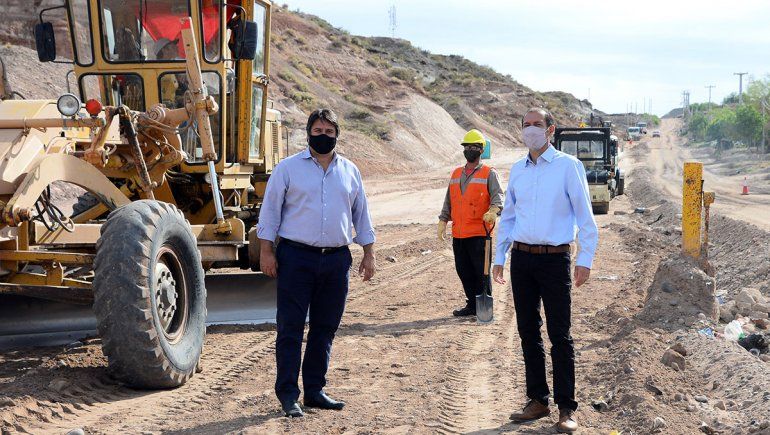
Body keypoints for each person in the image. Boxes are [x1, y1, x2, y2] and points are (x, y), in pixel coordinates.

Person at [258, 108, 377, 418]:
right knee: (290, 328)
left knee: (325, 328)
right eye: (318, 131)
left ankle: (314, 391)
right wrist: (266, 252)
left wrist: (369, 252)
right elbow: (269, 213)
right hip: (296, 258)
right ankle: (288, 394)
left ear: (337, 135)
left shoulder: (349, 170)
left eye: (329, 132)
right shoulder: (288, 169)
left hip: (336, 260)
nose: (323, 136)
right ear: (307, 133)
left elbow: (361, 214)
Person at [492, 108, 598, 433]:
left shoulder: (568, 167)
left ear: (550, 130)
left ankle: (566, 408)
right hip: (522, 260)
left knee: (560, 335)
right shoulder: (518, 170)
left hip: (555, 259)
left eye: (538, 124)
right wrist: (500, 255)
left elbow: (585, 216)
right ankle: (537, 399)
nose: (531, 130)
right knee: (527, 331)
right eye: (526, 125)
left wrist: (585, 259)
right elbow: (508, 217)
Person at [438, 129, 504, 317]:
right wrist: (443, 219)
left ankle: (484, 307)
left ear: (481, 150)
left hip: (480, 233)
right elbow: (449, 199)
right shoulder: (456, 173)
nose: (470, 149)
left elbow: (498, 198)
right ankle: (472, 305)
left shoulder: (489, 173)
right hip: (459, 233)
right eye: (467, 146)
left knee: (481, 273)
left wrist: (493, 211)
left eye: (474, 147)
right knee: (463, 271)